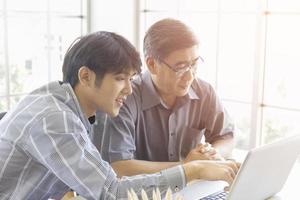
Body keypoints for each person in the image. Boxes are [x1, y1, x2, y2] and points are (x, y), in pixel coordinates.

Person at [0, 31, 238, 200]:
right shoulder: (55, 119)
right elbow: (111, 192)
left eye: (131, 78)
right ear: (85, 77)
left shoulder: (67, 107)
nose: (128, 89)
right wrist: (192, 170)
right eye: (120, 79)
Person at [93, 18, 235, 177]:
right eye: (180, 67)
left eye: (194, 64)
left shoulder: (204, 91)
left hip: (193, 189)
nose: (189, 76)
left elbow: (225, 136)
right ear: (152, 64)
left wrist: (212, 154)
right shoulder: (124, 98)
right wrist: (188, 167)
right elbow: (119, 167)